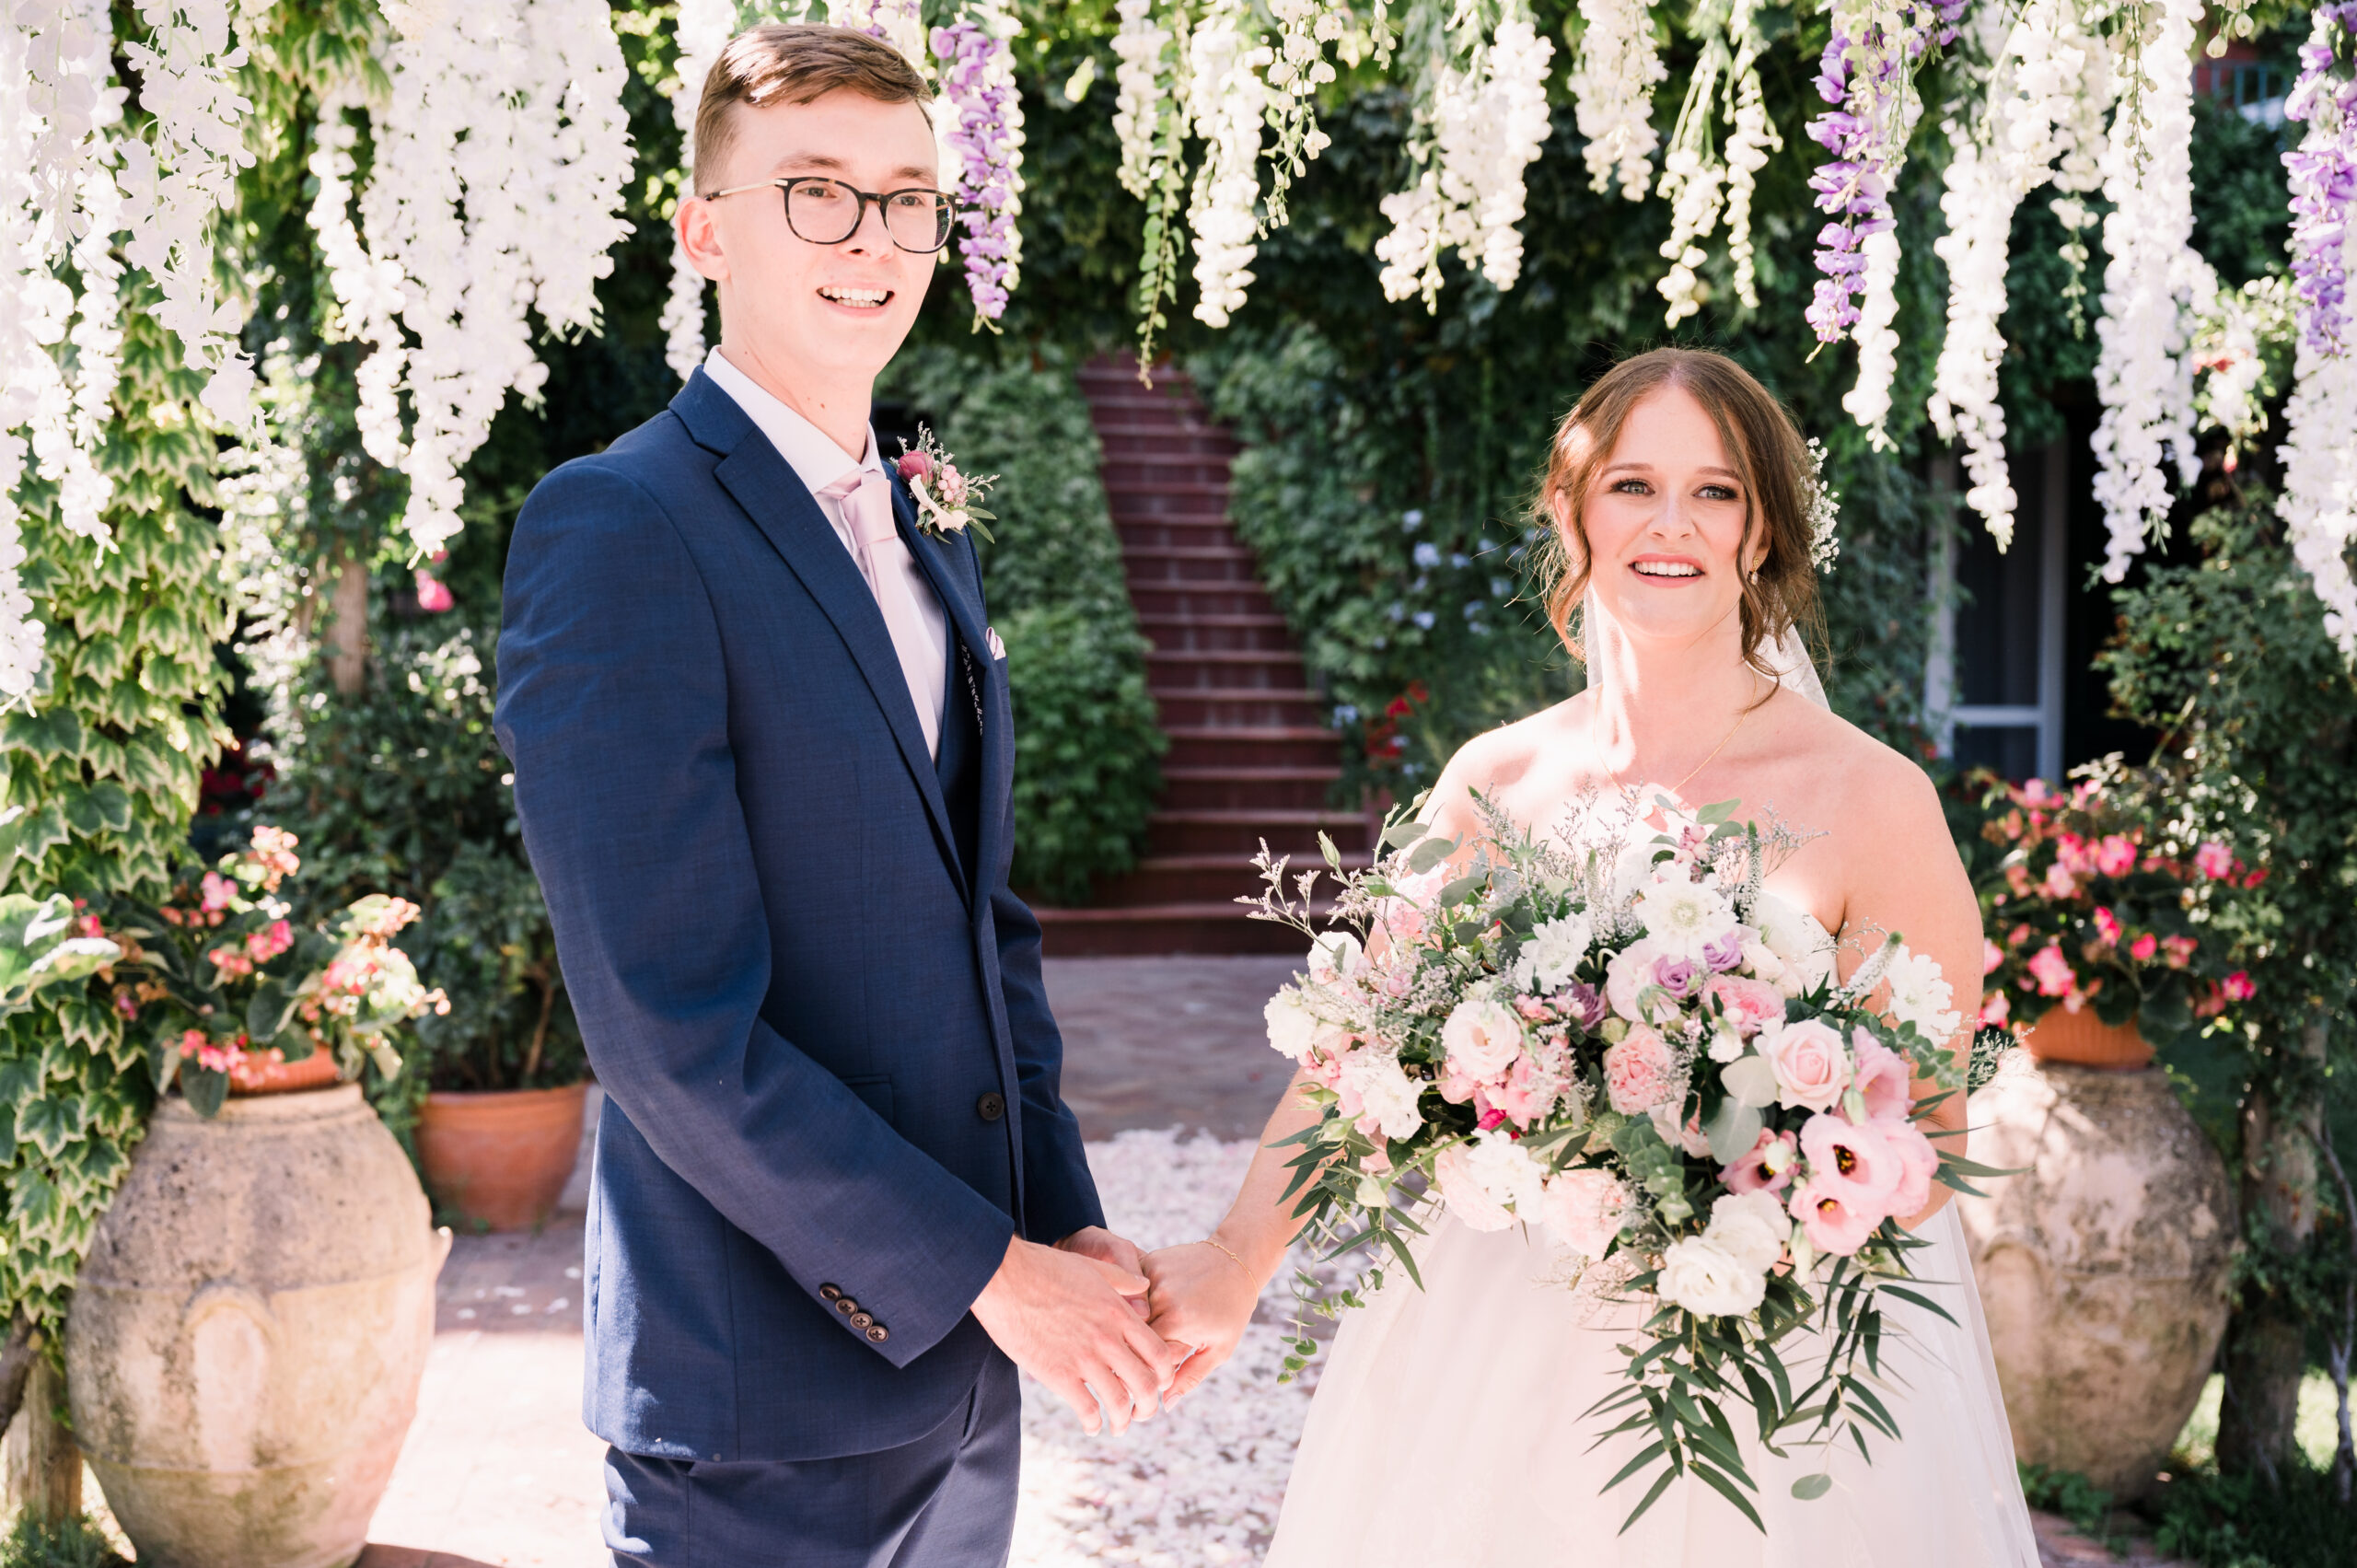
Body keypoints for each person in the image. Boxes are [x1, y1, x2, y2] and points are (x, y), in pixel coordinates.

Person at [1139, 347, 2040, 1564]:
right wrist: (1238, 1260)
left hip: (1766, 1370)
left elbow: (1928, 1147)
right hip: (1495, 1334)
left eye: (1716, 492)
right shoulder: (1496, 782)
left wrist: (1731, 1161)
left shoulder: (1869, 798)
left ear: (1763, 533)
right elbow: (1359, 1051)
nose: (1671, 523)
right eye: (1632, 486)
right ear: (1572, 512)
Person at [493, 24, 1177, 1566]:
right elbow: (669, 1036)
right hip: (757, 1408)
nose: (874, 239)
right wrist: (982, 1269)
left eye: (909, 197)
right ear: (703, 226)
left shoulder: (936, 534)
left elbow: (981, 930)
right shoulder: (618, 525)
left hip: (965, 1384)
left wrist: (1056, 1227)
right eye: (817, 193)